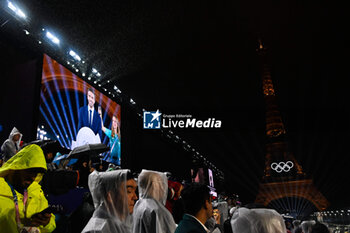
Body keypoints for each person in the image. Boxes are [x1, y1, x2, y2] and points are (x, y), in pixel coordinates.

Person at [0, 144, 56, 232]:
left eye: (36, 173)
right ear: (18, 166)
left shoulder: (37, 192)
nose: (33, 177)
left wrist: (46, 223)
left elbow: (51, 225)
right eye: (31, 171)